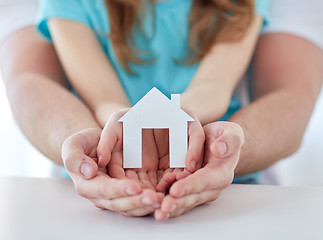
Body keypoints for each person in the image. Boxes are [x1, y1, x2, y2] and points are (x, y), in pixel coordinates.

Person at [1, 0, 322, 221]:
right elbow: (102, 97)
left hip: (230, 189)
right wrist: (122, 126)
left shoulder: (239, 5)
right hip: (95, 190)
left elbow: (214, 86)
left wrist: (185, 117)